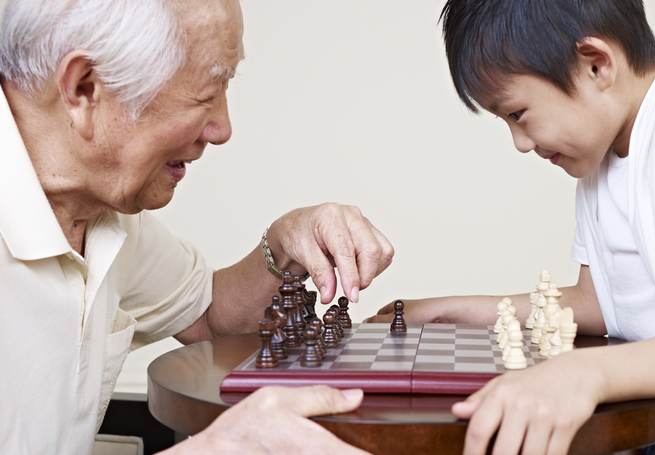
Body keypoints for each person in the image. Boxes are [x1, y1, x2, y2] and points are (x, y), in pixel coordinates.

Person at [368, 1, 655, 454]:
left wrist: (579, 373)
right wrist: (449, 311)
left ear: (597, 65)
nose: (519, 143)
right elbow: (595, 303)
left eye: (516, 114)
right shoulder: (603, 156)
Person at [0, 0, 392, 453]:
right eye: (207, 93)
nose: (223, 128)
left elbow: (207, 316)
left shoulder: (104, 213)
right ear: (86, 87)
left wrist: (283, 244)